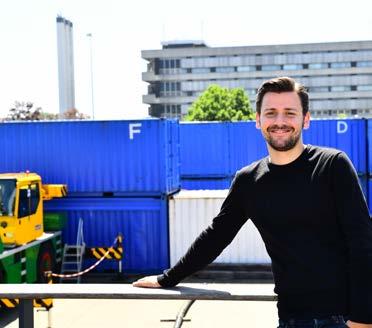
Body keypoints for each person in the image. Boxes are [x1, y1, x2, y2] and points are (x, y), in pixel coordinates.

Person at [133, 77, 372, 328]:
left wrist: (363, 318)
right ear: (258, 120)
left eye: (290, 113)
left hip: (342, 318)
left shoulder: (332, 165)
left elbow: (363, 244)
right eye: (271, 113)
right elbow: (216, 236)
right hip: (290, 317)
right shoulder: (249, 180)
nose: (280, 121)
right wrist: (167, 278)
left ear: (306, 119)